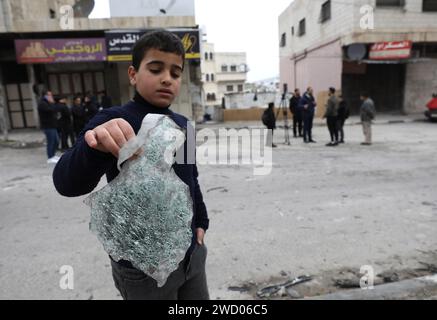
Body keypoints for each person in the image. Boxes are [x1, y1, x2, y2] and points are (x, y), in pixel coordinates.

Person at [52, 30, 210, 300]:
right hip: (142, 267)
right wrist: (95, 148)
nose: (166, 78)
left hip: (190, 256)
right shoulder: (113, 120)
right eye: (156, 68)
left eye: (175, 72)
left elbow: (190, 179)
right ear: (133, 74)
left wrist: (202, 221)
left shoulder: (185, 126)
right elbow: (66, 183)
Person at [37, 90, 60, 164]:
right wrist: (52, 103)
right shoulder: (42, 104)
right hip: (48, 126)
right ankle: (50, 157)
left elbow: (55, 110)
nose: (51, 96)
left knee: (56, 141)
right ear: (45, 96)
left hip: (52, 125)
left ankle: (53, 155)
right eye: (49, 95)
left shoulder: (48, 103)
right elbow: (51, 110)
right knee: (51, 141)